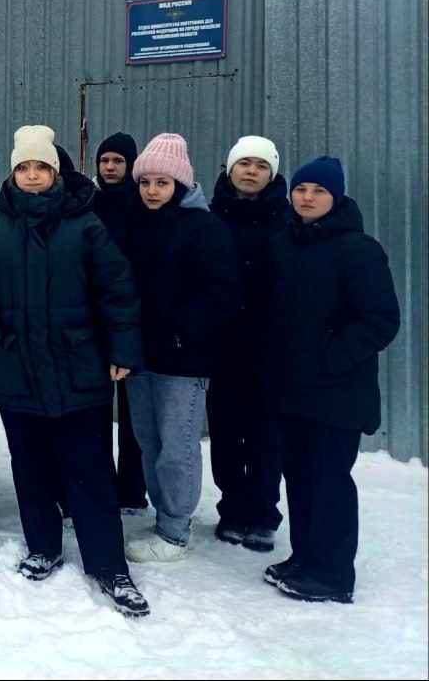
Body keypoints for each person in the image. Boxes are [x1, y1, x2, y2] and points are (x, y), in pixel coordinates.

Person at [0, 125, 150, 616]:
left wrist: (122, 349)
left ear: (55, 172)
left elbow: (117, 288)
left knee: (89, 470)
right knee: (31, 466)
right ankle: (43, 546)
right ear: (12, 173)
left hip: (77, 367)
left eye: (40, 167)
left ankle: (109, 564)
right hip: (16, 366)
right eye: (23, 167)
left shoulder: (84, 225)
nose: (32, 175)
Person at [261, 156, 399, 604]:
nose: (307, 198)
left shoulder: (359, 250)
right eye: (301, 189)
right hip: (290, 388)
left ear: (336, 197)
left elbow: (380, 319)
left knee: (329, 481)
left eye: (319, 191)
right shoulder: (282, 244)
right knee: (299, 476)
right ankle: (305, 557)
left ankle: (333, 574)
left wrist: (329, 356)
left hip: (336, 391)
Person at [122, 133, 242, 562]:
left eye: (162, 183)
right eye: (145, 182)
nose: (152, 191)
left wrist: (179, 329)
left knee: (177, 448)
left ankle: (174, 532)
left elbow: (224, 292)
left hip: (183, 359)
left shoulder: (205, 229)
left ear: (181, 184)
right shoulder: (135, 224)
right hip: (140, 356)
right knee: (149, 443)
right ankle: (165, 518)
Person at [207, 135, 289, 553]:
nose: (251, 172)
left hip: (269, 348)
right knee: (224, 432)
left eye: (261, 166)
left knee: (264, 434)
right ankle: (232, 509)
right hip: (221, 344)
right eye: (244, 164)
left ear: (271, 174)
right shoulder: (210, 216)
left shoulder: (288, 220)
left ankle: (263, 513)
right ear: (230, 168)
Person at [91, 132, 147, 514]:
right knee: (97, 413)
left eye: (118, 161)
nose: (110, 168)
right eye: (105, 160)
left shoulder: (140, 205)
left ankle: (132, 489)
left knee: (132, 417)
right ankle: (103, 484)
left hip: (132, 322)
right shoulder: (90, 204)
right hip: (95, 322)